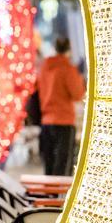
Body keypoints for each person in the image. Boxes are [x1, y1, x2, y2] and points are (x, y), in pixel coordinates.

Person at [37, 38, 86, 176]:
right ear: (69, 50)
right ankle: (58, 197)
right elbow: (77, 94)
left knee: (49, 165)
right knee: (62, 168)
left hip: (46, 121)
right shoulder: (68, 69)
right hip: (64, 121)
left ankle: (48, 195)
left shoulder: (44, 68)